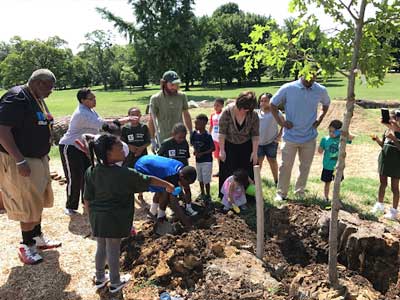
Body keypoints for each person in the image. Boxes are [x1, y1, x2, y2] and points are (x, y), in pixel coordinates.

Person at [84, 134, 174, 293]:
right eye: (119, 147)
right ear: (109, 153)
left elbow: (87, 199)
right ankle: (115, 282)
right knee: (113, 249)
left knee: (101, 246)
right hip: (114, 219)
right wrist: (167, 184)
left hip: (97, 218)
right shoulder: (124, 174)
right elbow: (148, 180)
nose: (123, 148)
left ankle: (99, 278)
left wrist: (91, 218)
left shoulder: (91, 171)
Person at [0, 69, 61, 264]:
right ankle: (26, 245)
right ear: (39, 83)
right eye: (50, 87)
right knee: (26, 202)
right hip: (21, 158)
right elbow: (2, 130)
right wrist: (19, 160)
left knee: (38, 199)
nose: (51, 91)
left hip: (37, 157)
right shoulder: (17, 97)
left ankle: (37, 237)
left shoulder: (36, 97)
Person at [59, 88, 134, 216]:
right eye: (91, 98)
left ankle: (85, 201)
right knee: (74, 177)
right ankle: (70, 206)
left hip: (83, 146)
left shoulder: (90, 110)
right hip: (70, 146)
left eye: (95, 98)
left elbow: (102, 123)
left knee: (87, 174)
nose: (94, 100)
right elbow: (104, 126)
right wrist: (124, 120)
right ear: (83, 100)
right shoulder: (81, 113)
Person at [271, 69, 330, 201]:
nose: (311, 80)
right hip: (290, 136)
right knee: (285, 166)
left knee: (305, 167)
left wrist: (320, 119)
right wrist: (282, 122)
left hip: (309, 137)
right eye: (309, 77)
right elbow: (273, 104)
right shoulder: (288, 88)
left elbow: (326, 104)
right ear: (302, 74)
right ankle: (281, 193)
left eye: (314, 77)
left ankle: (299, 192)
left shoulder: (320, 90)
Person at [218, 91, 259, 198]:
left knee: (246, 171)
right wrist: (222, 150)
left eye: (248, 110)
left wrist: (254, 153)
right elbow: (221, 133)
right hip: (229, 145)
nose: (245, 111)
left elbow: (255, 135)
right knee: (228, 172)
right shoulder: (226, 112)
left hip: (246, 145)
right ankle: (226, 196)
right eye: (244, 109)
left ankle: (247, 197)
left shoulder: (253, 115)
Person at [134, 155, 198, 220]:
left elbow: (187, 190)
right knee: (164, 193)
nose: (187, 185)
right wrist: (185, 220)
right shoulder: (172, 176)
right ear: (181, 177)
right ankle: (160, 216)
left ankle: (152, 213)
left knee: (161, 189)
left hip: (147, 160)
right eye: (187, 183)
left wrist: (189, 207)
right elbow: (174, 204)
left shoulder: (182, 169)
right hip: (143, 167)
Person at [148, 70, 192, 151]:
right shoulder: (155, 98)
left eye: (176, 84)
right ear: (164, 84)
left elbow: (186, 114)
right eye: (172, 85)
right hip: (163, 138)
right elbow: (152, 120)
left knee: (181, 162)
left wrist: (191, 132)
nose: (174, 87)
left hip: (180, 137)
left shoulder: (182, 96)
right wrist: (152, 140)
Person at [371, 110, 400, 220]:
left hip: (396, 163)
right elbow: (384, 145)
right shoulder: (387, 131)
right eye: (392, 119)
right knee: (382, 183)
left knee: (395, 187)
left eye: (395, 118)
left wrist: (394, 139)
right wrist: (377, 140)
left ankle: (393, 212)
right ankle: (379, 205)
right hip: (384, 161)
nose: (393, 121)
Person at [318, 120, 354, 201]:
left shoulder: (342, 139)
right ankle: (326, 197)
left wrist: (344, 132)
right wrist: (321, 146)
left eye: (334, 132)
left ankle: (335, 198)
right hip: (327, 166)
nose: (331, 133)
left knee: (337, 183)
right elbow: (319, 151)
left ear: (338, 132)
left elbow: (352, 137)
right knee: (327, 182)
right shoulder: (325, 139)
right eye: (330, 131)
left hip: (338, 166)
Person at [121, 107, 150, 201]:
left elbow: (148, 141)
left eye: (137, 114)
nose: (135, 117)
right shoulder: (125, 128)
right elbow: (122, 141)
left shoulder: (144, 127)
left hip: (142, 154)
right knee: (129, 172)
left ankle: (140, 193)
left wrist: (141, 148)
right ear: (128, 116)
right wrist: (130, 147)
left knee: (141, 172)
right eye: (133, 115)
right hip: (129, 155)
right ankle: (129, 192)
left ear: (141, 116)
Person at [257, 93, 282, 185]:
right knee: (258, 162)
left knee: (272, 161)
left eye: (266, 101)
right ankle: (256, 181)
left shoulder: (275, 112)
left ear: (271, 101)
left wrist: (279, 136)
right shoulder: (257, 113)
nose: (263, 103)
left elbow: (284, 124)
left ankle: (276, 181)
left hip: (271, 142)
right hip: (259, 143)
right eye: (261, 100)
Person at [190, 114, 215, 202]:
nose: (196, 126)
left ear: (204, 124)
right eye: (195, 124)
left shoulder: (207, 136)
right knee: (200, 178)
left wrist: (202, 153)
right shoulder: (194, 133)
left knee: (206, 179)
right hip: (198, 161)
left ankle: (208, 195)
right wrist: (195, 151)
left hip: (207, 161)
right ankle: (202, 193)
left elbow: (213, 148)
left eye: (198, 124)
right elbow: (192, 143)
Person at [209, 98, 224, 177]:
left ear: (222, 106)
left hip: (222, 139)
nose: (215, 107)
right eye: (215, 105)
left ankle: (225, 169)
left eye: (218, 105)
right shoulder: (213, 115)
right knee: (217, 155)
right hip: (214, 138)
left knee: (223, 155)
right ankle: (220, 170)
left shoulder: (224, 114)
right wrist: (208, 135)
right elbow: (211, 125)